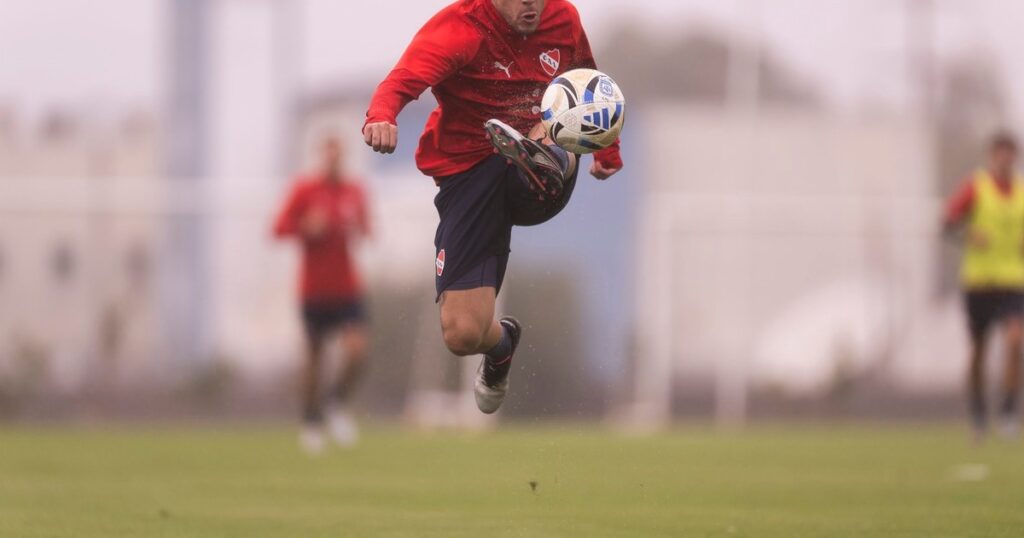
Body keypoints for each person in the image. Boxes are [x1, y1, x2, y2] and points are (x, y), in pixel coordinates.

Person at [363, 0, 622, 414]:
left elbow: (587, 87)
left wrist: (607, 150)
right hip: (468, 173)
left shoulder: (563, 18)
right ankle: (502, 346)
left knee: (551, 122)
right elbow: (399, 82)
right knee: (462, 334)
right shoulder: (458, 29)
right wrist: (381, 116)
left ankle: (538, 152)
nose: (532, 5)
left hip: (537, 163)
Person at [273, 136, 372, 452]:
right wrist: (306, 227)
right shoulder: (305, 190)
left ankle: (336, 403)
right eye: (328, 155)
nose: (333, 160)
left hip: (347, 287)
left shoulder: (354, 191)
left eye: (338, 154)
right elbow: (279, 228)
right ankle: (311, 421)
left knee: (357, 350)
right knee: (314, 359)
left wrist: (359, 228)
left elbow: (367, 229)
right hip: (313, 290)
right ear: (320, 157)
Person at [945, 131, 1024, 440]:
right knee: (979, 350)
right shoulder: (975, 188)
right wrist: (970, 235)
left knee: (1016, 341)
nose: (1005, 159)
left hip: (1014, 281)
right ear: (992, 156)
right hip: (979, 282)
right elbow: (948, 222)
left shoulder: (1021, 191)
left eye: (1010, 153)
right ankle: (978, 409)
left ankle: (1008, 409)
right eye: (999, 153)